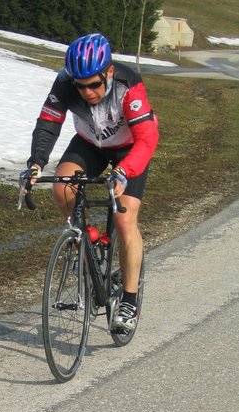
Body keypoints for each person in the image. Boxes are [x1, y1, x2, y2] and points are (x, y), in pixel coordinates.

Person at [25, 32, 159, 331]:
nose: (87, 92)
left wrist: (124, 171)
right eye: (80, 86)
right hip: (90, 144)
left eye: (94, 85)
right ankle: (88, 241)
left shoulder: (127, 84)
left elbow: (147, 138)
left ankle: (129, 300)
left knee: (124, 219)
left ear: (108, 72)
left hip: (130, 149)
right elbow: (48, 123)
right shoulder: (65, 83)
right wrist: (36, 163)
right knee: (62, 188)